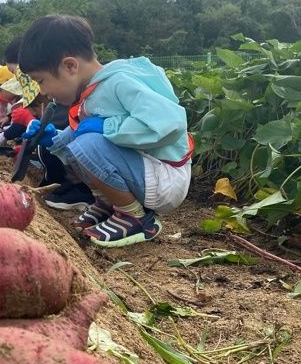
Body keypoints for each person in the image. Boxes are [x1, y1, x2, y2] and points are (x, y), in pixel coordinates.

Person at [20, 15, 192, 247]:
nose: (43, 92)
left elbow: (170, 122)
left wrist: (106, 127)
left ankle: (135, 217)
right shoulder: (93, 89)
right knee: (75, 141)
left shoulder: (120, 82)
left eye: (41, 81)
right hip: (144, 172)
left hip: (166, 179)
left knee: (85, 142)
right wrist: (53, 139)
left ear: (70, 66)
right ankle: (110, 204)